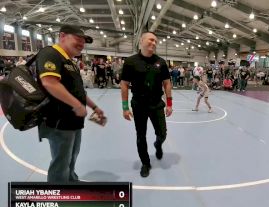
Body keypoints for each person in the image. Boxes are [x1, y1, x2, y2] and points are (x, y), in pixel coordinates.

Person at [37, 25, 105, 183]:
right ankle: (58, 197)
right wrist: (77, 105)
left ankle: (71, 181)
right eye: (78, 39)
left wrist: (94, 107)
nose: (81, 44)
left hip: (73, 121)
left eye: (84, 41)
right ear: (62, 36)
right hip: (58, 120)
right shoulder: (50, 53)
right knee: (60, 161)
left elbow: (78, 91)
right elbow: (49, 83)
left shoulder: (71, 62)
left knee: (71, 156)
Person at [120, 31, 173, 178]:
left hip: (157, 104)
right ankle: (145, 163)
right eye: (151, 40)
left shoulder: (161, 62)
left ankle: (158, 144)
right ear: (141, 41)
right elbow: (124, 84)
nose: (154, 43)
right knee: (141, 136)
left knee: (162, 133)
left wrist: (169, 103)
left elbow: (167, 83)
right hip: (139, 105)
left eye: (156, 41)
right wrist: (125, 107)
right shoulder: (130, 62)